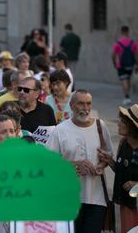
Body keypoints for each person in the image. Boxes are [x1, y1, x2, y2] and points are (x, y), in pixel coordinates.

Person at [49, 89, 113, 233]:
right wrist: (74, 165)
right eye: (81, 104)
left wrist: (101, 165)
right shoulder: (60, 130)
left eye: (88, 104)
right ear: (71, 106)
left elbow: (108, 155)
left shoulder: (100, 126)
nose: (85, 108)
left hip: (97, 199)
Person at [98, 104, 138, 232]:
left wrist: (137, 184)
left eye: (123, 121)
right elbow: (122, 171)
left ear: (132, 127)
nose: (118, 124)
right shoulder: (123, 143)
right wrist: (110, 161)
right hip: (126, 203)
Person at [112, 25, 138, 106]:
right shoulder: (133, 43)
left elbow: (113, 55)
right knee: (128, 80)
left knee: (124, 81)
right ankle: (128, 97)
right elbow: (136, 55)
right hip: (130, 65)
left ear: (121, 32)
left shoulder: (118, 43)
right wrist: (137, 64)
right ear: (128, 31)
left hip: (121, 65)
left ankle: (126, 97)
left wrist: (115, 63)